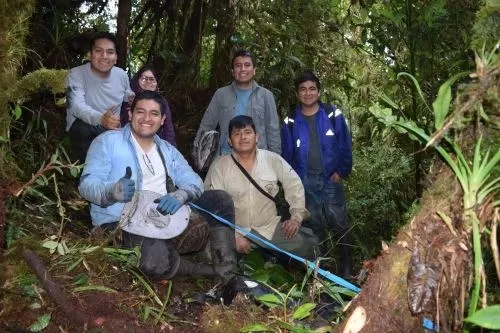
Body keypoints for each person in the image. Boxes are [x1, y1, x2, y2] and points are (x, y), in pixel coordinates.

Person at [79, 90, 237, 281]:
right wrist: (112, 191)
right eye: (140, 112)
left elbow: (193, 180)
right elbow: (86, 185)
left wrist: (182, 194)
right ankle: (203, 271)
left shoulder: (168, 150)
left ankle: (227, 274)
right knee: (151, 259)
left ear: (162, 119)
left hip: (166, 220)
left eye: (154, 113)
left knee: (220, 200)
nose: (146, 118)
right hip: (121, 225)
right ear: (130, 114)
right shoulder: (106, 142)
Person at [205, 115, 318, 260]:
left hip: (268, 228)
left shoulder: (272, 159)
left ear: (256, 137)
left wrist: (296, 218)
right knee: (216, 257)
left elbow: (294, 184)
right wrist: (234, 235)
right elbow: (214, 205)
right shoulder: (220, 166)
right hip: (235, 230)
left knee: (308, 245)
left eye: (247, 132)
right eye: (237, 134)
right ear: (229, 141)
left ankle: (276, 259)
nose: (243, 137)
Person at [281, 71, 353, 278]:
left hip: (331, 178)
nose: (308, 93)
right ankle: (321, 270)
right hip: (305, 181)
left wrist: (341, 171)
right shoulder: (290, 121)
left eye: (312, 88)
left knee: (339, 222)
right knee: (314, 225)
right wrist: (293, 181)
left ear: (319, 91)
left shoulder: (332, 114)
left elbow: (344, 145)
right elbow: (287, 155)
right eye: (303, 89)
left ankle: (347, 268)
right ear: (297, 94)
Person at [193, 49, 281, 159]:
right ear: (233, 71)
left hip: (258, 159)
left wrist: (275, 160)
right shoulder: (221, 94)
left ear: (254, 70)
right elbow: (207, 124)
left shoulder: (266, 96)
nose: (243, 69)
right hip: (226, 157)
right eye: (238, 65)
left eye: (247, 65)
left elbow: (273, 131)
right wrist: (197, 149)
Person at [66, 31, 134, 163]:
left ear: (115, 57)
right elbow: (76, 106)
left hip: (112, 128)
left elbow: (126, 94)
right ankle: (85, 173)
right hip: (85, 128)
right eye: (98, 51)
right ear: (90, 55)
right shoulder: (76, 74)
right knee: (82, 127)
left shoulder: (121, 75)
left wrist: (133, 98)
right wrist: (101, 119)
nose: (104, 56)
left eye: (110, 52)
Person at [120, 65, 176, 146]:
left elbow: (168, 129)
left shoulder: (162, 101)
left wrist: (170, 148)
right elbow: (122, 122)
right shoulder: (129, 99)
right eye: (144, 79)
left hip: (154, 143)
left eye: (152, 79)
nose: (148, 82)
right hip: (128, 142)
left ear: (156, 83)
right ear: (137, 80)